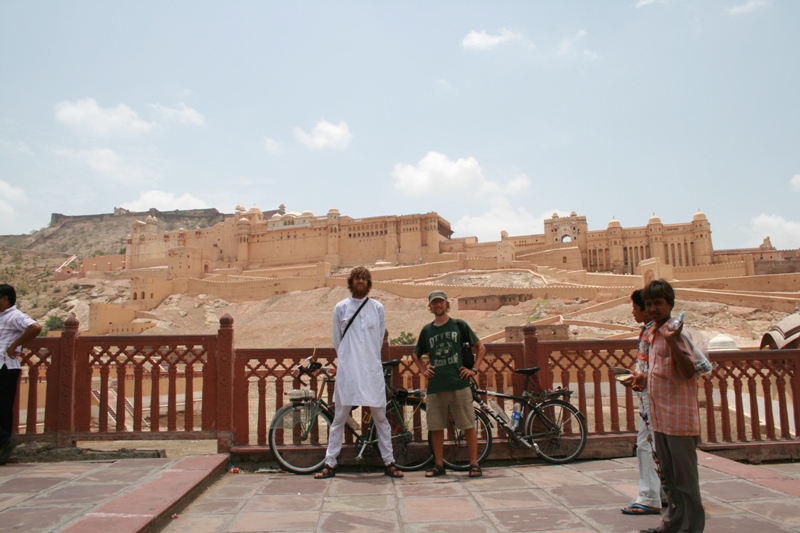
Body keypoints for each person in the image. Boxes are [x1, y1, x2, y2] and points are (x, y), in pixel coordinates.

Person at [314, 267, 403, 479]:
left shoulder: (377, 308)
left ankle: (389, 462)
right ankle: (330, 463)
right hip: (349, 372)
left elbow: (379, 336)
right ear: (351, 282)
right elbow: (338, 340)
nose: (361, 281)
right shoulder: (341, 308)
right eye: (357, 278)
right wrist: (348, 359)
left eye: (364, 278)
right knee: (339, 418)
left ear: (369, 282)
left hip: (370, 370)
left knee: (380, 418)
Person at [640, 279, 705, 533]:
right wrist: (642, 378)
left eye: (658, 303)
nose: (653, 309)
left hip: (679, 420)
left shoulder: (678, 334)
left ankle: (691, 529)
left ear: (670, 304)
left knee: (686, 482)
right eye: (649, 304)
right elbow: (658, 371)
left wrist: (673, 342)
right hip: (660, 418)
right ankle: (671, 525)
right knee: (669, 478)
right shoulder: (653, 334)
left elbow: (690, 372)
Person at [411, 290, 486, 478]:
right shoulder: (427, 330)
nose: (438, 305)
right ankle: (439, 465)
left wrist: (473, 370)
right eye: (434, 303)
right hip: (436, 386)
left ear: (446, 304)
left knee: (468, 424)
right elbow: (415, 354)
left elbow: (481, 348)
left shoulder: (459, 325)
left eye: (441, 302)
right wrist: (423, 370)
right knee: (436, 427)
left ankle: (474, 464)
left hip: (459, 384)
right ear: (430, 306)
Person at [621, 289, 665, 516]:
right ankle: (664, 492)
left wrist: (643, 377)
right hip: (650, 393)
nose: (634, 312)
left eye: (636, 308)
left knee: (646, 445)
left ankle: (649, 497)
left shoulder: (659, 332)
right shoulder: (650, 331)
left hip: (653, 395)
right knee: (658, 444)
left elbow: (661, 366)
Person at [0, 284, 42, 465]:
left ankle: (3, 445)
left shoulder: (15, 316)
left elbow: (35, 327)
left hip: (6, 366)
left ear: (5, 298)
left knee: (2, 407)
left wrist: (13, 345)